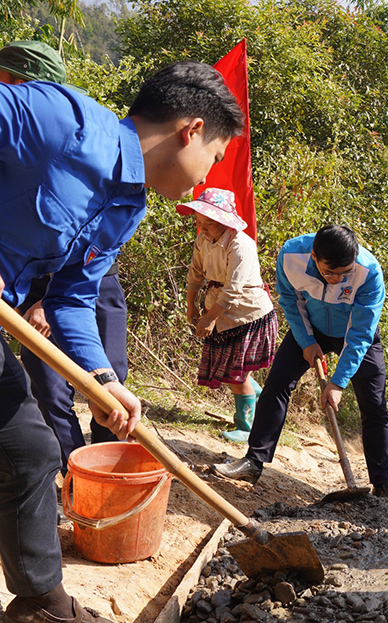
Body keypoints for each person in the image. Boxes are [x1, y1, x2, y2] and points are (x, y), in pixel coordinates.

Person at [1, 61, 241, 623]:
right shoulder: (59, 120)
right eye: (214, 158)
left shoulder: (127, 206)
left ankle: (40, 604)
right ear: (192, 130)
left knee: (28, 449)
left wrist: (105, 383)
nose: (207, 177)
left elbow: (70, 299)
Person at [0, 40, 126, 472]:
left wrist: (45, 304)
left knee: (105, 399)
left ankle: (98, 477)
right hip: (26, 297)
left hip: (74, 294)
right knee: (45, 407)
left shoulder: (68, 145)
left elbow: (75, 286)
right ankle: (71, 474)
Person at [211, 225, 388, 497]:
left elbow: (361, 334)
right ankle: (253, 461)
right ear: (313, 257)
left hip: (354, 332)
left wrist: (337, 383)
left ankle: (382, 483)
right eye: (329, 273)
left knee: (374, 402)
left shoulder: (369, 272)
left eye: (344, 273)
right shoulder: (291, 256)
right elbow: (290, 301)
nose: (336, 280)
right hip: (312, 328)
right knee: (277, 384)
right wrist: (308, 341)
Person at [180, 188, 278, 443]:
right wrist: (191, 305)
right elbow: (196, 274)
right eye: (199, 222)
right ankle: (254, 394)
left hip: (248, 315)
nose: (202, 228)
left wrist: (209, 317)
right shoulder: (203, 241)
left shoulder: (241, 245)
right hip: (222, 312)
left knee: (237, 374)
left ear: (224, 222)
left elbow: (233, 290)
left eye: (209, 224)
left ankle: (246, 427)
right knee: (230, 369)